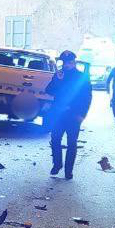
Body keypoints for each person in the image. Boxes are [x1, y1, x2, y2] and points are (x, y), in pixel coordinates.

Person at [46, 50, 92, 179]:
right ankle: (57, 164)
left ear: (74, 62)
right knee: (55, 139)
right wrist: (58, 81)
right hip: (58, 114)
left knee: (72, 143)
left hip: (74, 115)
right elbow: (48, 90)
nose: (66, 64)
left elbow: (87, 97)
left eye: (69, 62)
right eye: (64, 62)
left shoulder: (82, 77)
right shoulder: (59, 75)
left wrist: (82, 114)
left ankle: (68, 170)